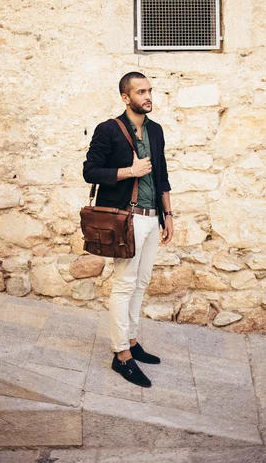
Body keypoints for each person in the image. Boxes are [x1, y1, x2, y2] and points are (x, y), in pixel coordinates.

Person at [83, 71, 174, 387]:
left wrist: (168, 214)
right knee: (124, 284)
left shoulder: (156, 131)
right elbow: (90, 171)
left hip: (152, 217)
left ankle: (132, 341)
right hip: (126, 218)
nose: (148, 96)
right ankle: (121, 354)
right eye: (140, 92)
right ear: (126, 97)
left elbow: (162, 173)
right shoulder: (108, 130)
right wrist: (128, 171)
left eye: (150, 90)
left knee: (142, 282)